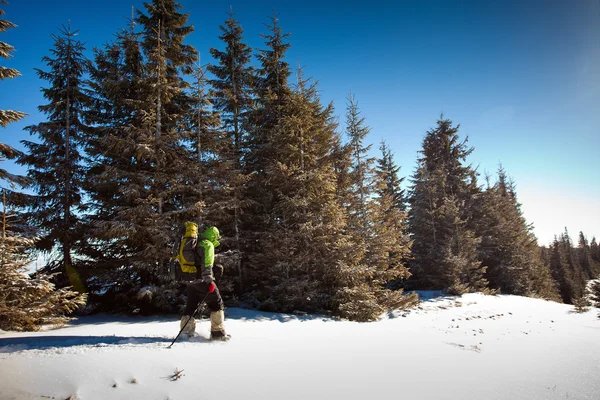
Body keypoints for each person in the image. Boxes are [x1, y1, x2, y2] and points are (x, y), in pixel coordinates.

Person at [179, 222, 229, 341]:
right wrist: (209, 281)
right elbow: (206, 265)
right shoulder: (207, 245)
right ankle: (218, 333)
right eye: (217, 237)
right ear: (214, 236)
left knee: (190, 306)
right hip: (202, 281)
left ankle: (186, 333)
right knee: (217, 303)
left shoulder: (196, 244)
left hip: (190, 281)